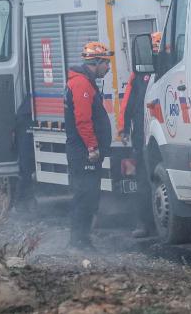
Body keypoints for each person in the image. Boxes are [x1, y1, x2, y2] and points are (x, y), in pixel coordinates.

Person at [65, 41, 114, 250]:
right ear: (96, 62)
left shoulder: (84, 82)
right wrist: (93, 148)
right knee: (85, 196)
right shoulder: (81, 85)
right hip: (83, 152)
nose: (108, 68)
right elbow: (83, 120)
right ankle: (78, 241)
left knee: (89, 196)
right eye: (106, 63)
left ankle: (82, 240)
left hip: (84, 150)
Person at [117, 31, 162, 238]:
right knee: (143, 182)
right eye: (153, 49)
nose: (154, 53)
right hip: (142, 138)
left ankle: (154, 223)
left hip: (163, 135)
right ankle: (144, 223)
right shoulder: (138, 75)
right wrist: (123, 128)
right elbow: (126, 104)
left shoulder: (170, 69)